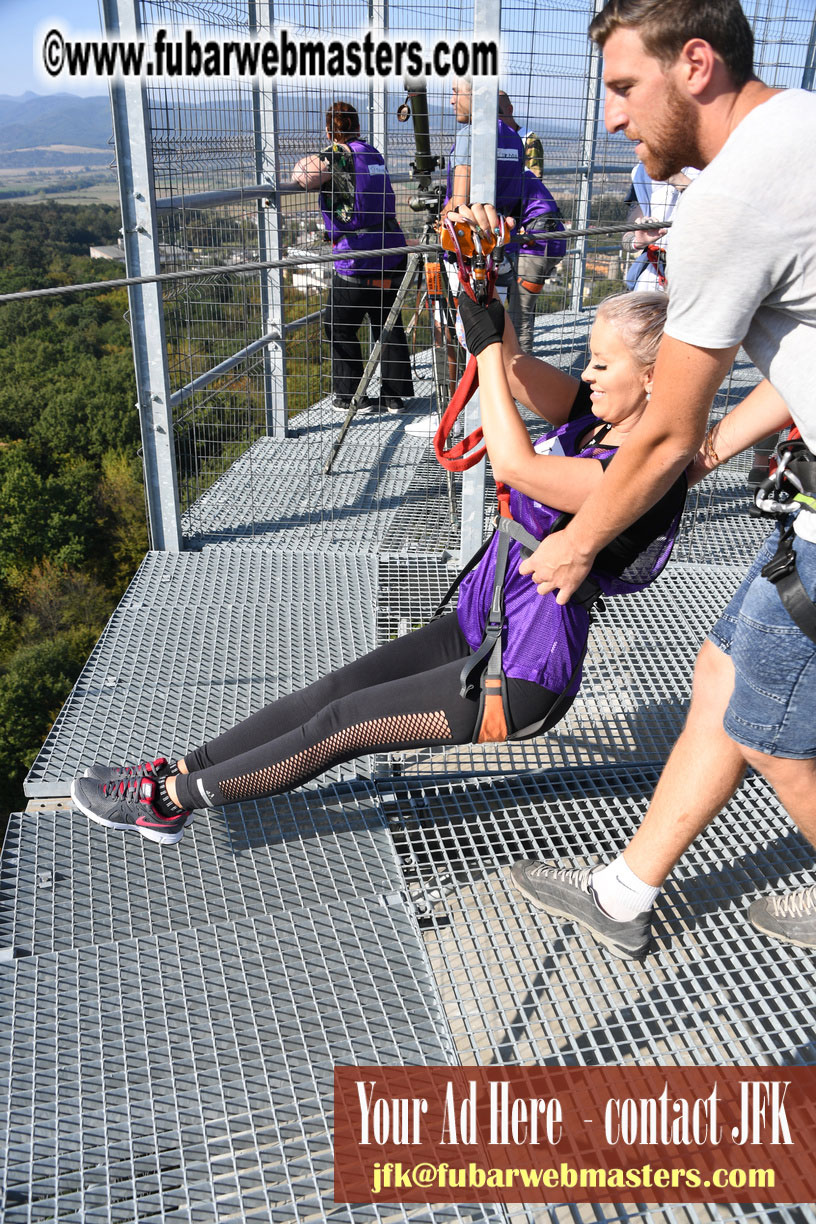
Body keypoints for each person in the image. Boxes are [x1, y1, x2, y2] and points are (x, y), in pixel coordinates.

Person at [70, 293, 686, 847]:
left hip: (522, 670)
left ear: (654, 379)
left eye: (601, 364)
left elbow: (518, 466)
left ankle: (165, 804)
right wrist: (483, 297)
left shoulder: (635, 475)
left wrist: (487, 347)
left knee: (342, 726)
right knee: (332, 691)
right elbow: (517, 373)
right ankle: (181, 769)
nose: (586, 374)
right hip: (485, 620)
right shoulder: (593, 416)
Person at [464, 0, 816, 956]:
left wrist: (577, 545)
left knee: (775, 729)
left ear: (694, 64)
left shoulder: (731, 199)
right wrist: (709, 448)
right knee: (726, 671)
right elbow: (798, 371)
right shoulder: (802, 127)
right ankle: (625, 893)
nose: (612, 118)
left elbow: (661, 432)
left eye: (624, 87)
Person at [292, 101, 414, 414]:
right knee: (386, 322)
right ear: (358, 127)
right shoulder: (372, 153)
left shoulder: (337, 154)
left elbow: (305, 177)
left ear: (330, 130)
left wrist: (316, 155)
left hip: (357, 258)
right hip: (391, 250)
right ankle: (394, 396)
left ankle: (349, 396)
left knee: (337, 323)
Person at [512, 169, 567, 353]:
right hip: (550, 242)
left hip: (539, 246)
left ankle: (522, 367)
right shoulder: (524, 176)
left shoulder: (509, 178)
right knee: (524, 307)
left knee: (521, 313)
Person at [623, 162, 699, 291]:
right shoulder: (642, 172)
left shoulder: (716, 164)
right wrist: (637, 241)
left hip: (698, 274)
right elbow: (625, 238)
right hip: (653, 275)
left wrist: (678, 179)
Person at [498, 90, 545, 179]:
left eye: (497, 112)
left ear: (509, 110)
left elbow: (534, 180)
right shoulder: (492, 138)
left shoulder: (529, 140)